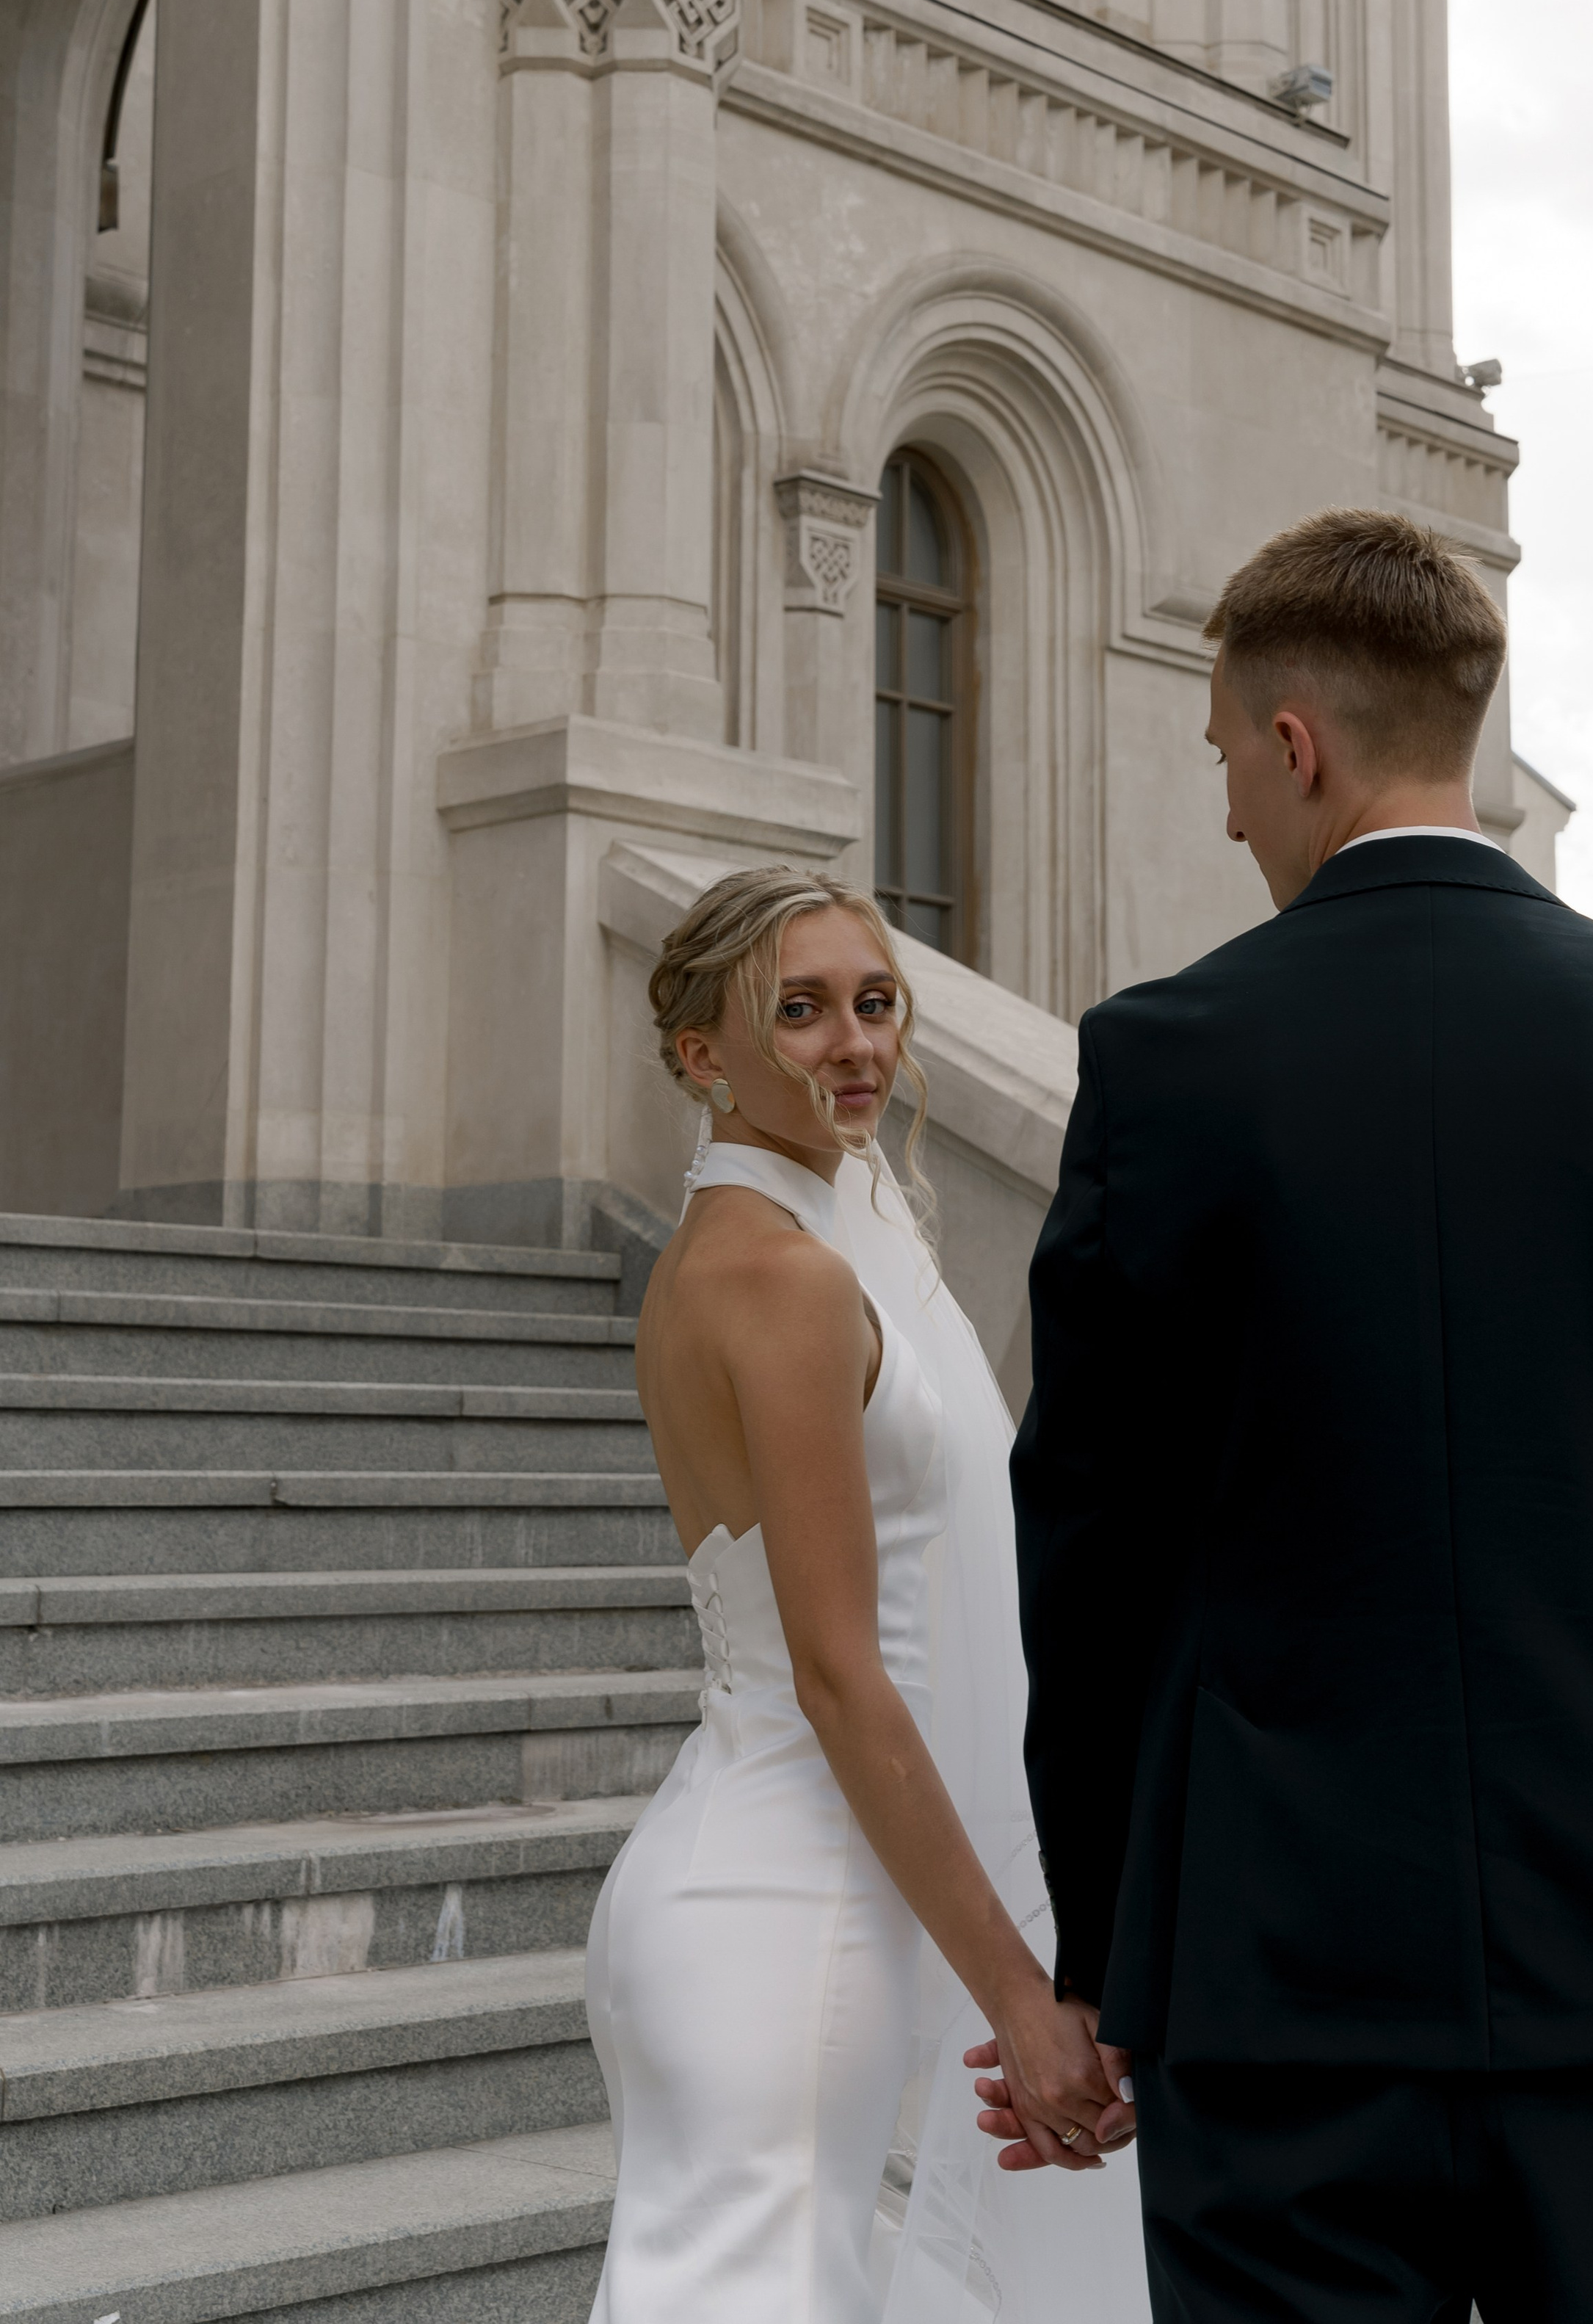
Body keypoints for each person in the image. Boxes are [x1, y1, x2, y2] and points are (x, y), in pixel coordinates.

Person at [1007, 507, 1593, 2321]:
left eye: (1224, 762)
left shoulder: (1156, 1067)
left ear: (1292, 741)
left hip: (1275, 1996)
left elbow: (1088, 1563)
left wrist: (1104, 1961)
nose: (1228, 810)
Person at [583, 864, 1150, 2323]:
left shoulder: (827, 1237)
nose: (856, 1044)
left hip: (766, 1877)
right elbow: (840, 1672)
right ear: (700, 1055)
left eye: (875, 1002)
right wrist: (1020, 2000)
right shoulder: (779, 1277)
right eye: (800, 1011)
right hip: (786, 1911)